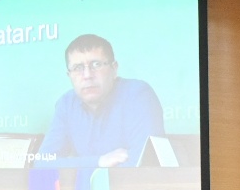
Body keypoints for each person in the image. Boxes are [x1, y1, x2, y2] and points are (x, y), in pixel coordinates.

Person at [35, 34, 164, 169]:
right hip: (93, 182)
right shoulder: (66, 104)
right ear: (69, 75)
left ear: (114, 69)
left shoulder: (138, 95)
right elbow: (42, 163)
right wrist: (99, 162)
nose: (87, 75)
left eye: (96, 65)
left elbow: (143, 165)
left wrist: (84, 169)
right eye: (78, 68)